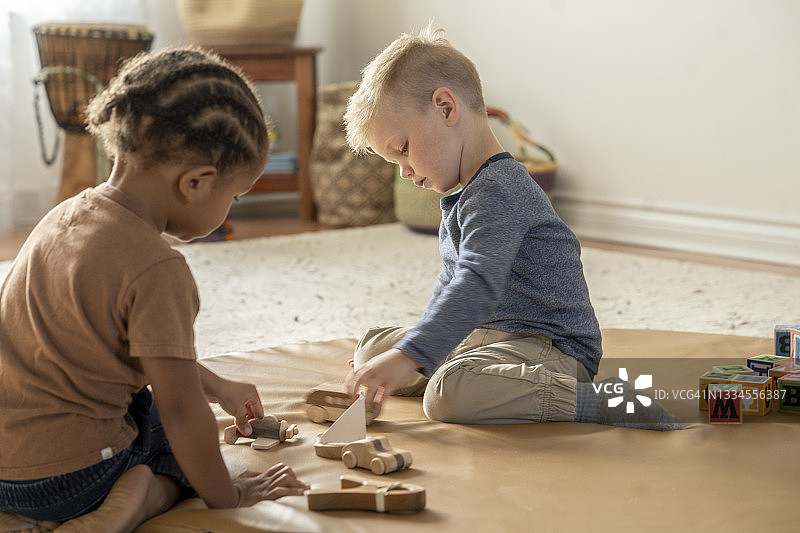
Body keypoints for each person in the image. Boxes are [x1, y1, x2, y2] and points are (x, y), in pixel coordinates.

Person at [0, 46, 308, 532]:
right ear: (196, 183)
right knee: (187, 448)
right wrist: (229, 493)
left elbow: (129, 350)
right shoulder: (158, 269)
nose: (228, 208)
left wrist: (218, 386)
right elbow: (182, 409)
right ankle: (135, 501)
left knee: (161, 404)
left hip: (7, 470)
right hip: (74, 480)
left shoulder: (62, 217)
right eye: (234, 196)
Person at [342, 23, 681, 431]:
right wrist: (405, 352)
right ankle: (451, 368)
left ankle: (600, 400)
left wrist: (411, 356)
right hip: (485, 339)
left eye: (404, 150)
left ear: (445, 107)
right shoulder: (460, 195)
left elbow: (477, 284)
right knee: (371, 346)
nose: (407, 172)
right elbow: (450, 287)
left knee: (447, 394)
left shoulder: (500, 188)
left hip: (547, 349)